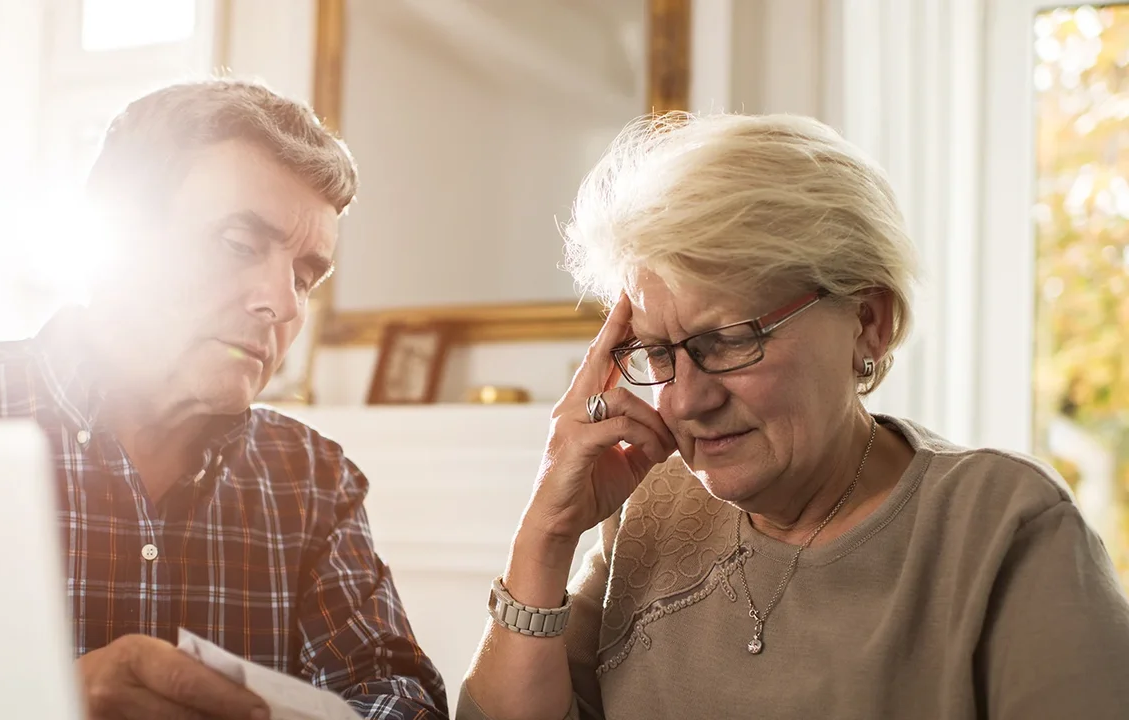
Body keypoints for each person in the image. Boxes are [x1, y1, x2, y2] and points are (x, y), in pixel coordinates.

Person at [459, 112, 1129, 720]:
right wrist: (547, 530)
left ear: (869, 322)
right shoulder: (652, 511)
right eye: (658, 353)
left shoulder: (1000, 527)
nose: (688, 401)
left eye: (726, 341)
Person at [0, 80, 448, 720]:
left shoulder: (313, 481)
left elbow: (401, 699)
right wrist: (34, 705)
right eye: (239, 246)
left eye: (306, 276)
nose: (283, 303)